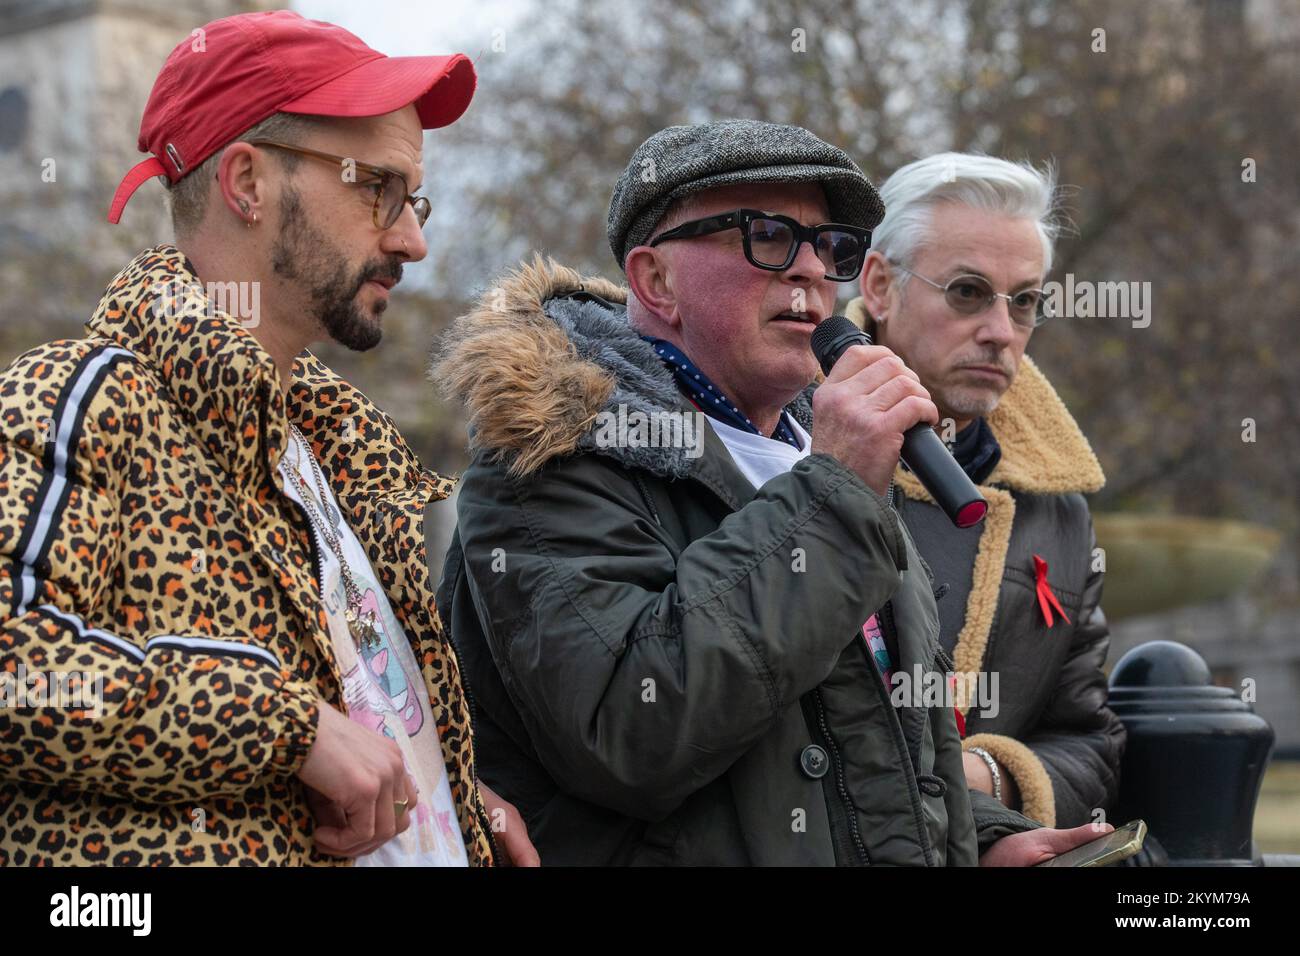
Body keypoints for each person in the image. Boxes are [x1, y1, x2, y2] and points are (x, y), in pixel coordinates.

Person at [433, 119, 1107, 864]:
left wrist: (977, 843)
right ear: (656, 279)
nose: (813, 270)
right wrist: (834, 492)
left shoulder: (818, 456)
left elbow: (864, 751)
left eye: (829, 246)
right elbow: (633, 733)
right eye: (767, 236)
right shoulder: (552, 457)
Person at [0, 9, 535, 867]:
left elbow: (355, 731)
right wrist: (284, 726)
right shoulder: (83, 397)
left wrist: (445, 793)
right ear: (247, 182)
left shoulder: (332, 445)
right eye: (377, 189)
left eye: (413, 197)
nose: (413, 241)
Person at [848, 153, 1125, 828]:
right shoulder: (776, 446)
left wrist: (987, 779)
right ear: (880, 287)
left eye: (1024, 301)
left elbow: (1090, 747)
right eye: (968, 292)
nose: (1002, 332)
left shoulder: (1058, 506)